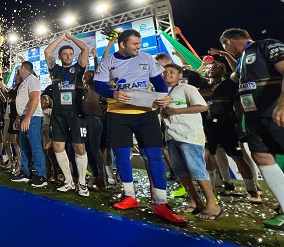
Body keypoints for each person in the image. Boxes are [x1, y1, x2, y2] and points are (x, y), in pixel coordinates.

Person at [94, 29, 187, 225]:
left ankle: (161, 203)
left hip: (145, 114)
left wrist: (164, 96)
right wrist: (113, 94)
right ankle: (129, 196)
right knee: (121, 156)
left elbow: (158, 82)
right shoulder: (109, 62)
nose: (139, 47)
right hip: (118, 115)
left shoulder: (146, 58)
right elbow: (101, 85)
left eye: (140, 43)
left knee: (154, 156)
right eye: (135, 44)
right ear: (122, 44)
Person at [220, 28, 284, 228]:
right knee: (261, 155)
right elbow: (234, 78)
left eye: (226, 46)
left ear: (228, 41)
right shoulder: (242, 60)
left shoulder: (266, 45)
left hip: (276, 111)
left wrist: (282, 104)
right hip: (254, 116)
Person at [161, 64, 222, 220]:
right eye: (165, 72)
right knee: (180, 170)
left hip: (189, 135)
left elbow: (202, 107)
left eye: (172, 72)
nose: (167, 74)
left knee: (196, 169)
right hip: (171, 135)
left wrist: (176, 111)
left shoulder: (187, 88)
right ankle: (196, 202)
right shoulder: (162, 92)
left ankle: (212, 205)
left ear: (180, 75)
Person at [200, 61, 261, 201]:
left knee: (237, 156)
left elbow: (238, 106)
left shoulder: (228, 85)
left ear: (222, 70)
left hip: (226, 125)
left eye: (215, 67)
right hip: (207, 126)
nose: (210, 69)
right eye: (208, 67)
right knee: (208, 156)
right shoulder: (202, 87)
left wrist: (238, 124)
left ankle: (252, 190)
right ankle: (213, 189)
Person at [43, 31, 90, 196]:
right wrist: (61, 38)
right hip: (58, 114)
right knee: (57, 146)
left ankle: (82, 183)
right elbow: (48, 52)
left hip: (76, 113)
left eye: (71, 54)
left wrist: (71, 38)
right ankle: (69, 181)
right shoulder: (54, 69)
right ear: (60, 56)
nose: (68, 56)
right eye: (65, 54)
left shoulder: (78, 68)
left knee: (79, 147)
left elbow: (85, 49)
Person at [10, 61, 47, 187]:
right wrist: (19, 117)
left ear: (22, 68)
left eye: (19, 69)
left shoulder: (32, 79)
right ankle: (25, 172)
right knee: (23, 145)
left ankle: (41, 175)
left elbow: (35, 98)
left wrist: (28, 117)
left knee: (35, 145)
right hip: (24, 116)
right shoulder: (24, 82)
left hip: (33, 117)